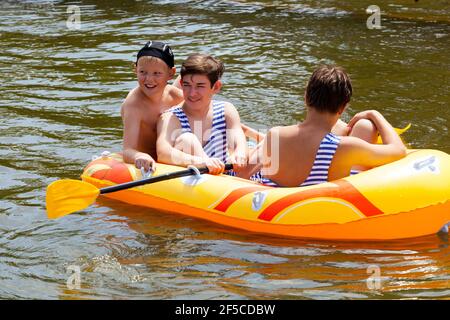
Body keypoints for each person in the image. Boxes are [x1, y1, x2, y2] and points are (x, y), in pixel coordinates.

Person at [245, 65, 406, 187]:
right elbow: (399, 151)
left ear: (306, 97)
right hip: (318, 207)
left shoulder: (275, 134)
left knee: (360, 127)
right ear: (343, 107)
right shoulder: (344, 147)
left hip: (276, 207)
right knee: (367, 126)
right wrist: (374, 114)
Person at [156, 53, 248, 175]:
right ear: (182, 83)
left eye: (200, 86)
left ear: (216, 87)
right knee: (188, 139)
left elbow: (238, 138)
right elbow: (163, 153)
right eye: (187, 85)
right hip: (198, 179)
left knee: (276, 137)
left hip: (227, 176)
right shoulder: (171, 117)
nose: (192, 93)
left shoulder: (226, 110)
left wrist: (240, 152)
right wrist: (201, 161)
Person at [121, 41, 183, 172]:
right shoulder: (133, 105)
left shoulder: (175, 95)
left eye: (157, 73)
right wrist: (139, 155)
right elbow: (127, 150)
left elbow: (204, 111)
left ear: (171, 73)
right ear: (135, 69)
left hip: (172, 155)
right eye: (143, 72)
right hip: (151, 162)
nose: (149, 79)